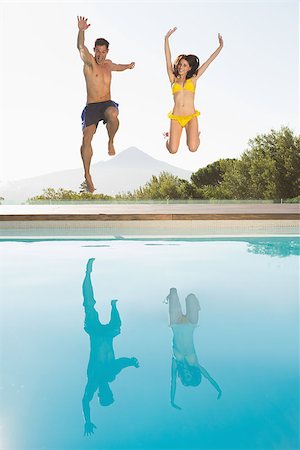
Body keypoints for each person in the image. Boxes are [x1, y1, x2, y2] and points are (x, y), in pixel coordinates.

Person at [77, 16, 135, 192]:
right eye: (98, 51)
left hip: (107, 103)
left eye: (104, 52)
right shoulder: (89, 63)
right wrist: (81, 31)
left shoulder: (108, 65)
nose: (100, 55)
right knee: (87, 138)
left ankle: (111, 141)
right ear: (94, 50)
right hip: (92, 106)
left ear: (107, 51)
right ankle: (87, 174)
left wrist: (129, 65)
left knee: (113, 114)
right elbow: (80, 47)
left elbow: (119, 66)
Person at [82, 258, 139, 436]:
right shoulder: (110, 375)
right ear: (111, 392)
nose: (105, 392)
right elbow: (120, 363)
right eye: (109, 394)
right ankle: (114, 305)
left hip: (95, 333)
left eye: (103, 395)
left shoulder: (93, 382)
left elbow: (85, 401)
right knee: (117, 327)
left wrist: (88, 420)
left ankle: (87, 273)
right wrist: (131, 361)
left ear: (99, 395)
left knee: (89, 304)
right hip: (107, 335)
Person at [164, 27, 223, 154]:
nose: (181, 67)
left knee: (193, 148)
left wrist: (220, 46)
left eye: (185, 65)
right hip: (176, 117)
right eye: (180, 64)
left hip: (191, 117)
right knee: (173, 150)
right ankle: (168, 137)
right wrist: (166, 39)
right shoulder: (173, 79)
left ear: (190, 68)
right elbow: (168, 59)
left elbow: (209, 61)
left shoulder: (193, 80)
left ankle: (196, 135)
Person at [165, 288, 222, 410]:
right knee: (191, 296)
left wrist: (172, 400)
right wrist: (218, 389)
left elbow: (173, 382)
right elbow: (209, 377)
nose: (186, 375)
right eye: (189, 376)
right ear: (193, 373)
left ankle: (169, 297)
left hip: (175, 324)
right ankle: (196, 307)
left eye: (185, 377)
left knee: (173, 291)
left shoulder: (176, 363)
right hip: (191, 324)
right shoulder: (195, 364)